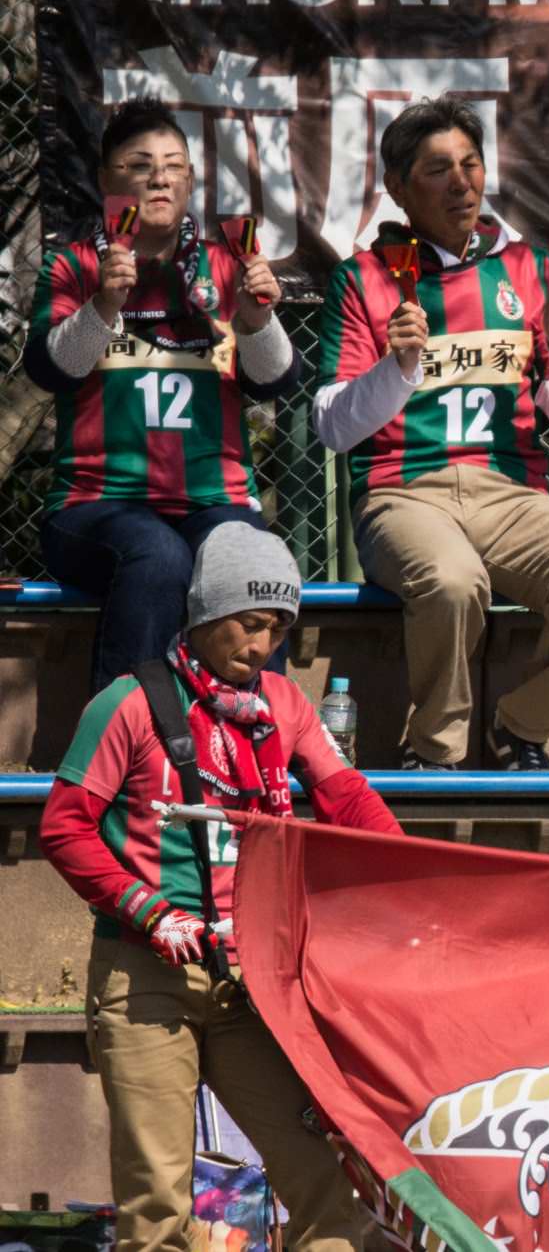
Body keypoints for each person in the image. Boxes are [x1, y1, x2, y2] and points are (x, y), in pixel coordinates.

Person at [38, 522, 400, 1252]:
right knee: (157, 1209)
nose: (262, 644)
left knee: (327, 1186)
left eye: (278, 628)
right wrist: (148, 910)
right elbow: (64, 826)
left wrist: (413, 871)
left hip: (253, 979)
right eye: (250, 622)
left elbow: (347, 797)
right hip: (146, 978)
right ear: (206, 612)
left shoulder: (285, 704)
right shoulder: (129, 702)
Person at [313, 96, 549, 771]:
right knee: (453, 580)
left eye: (471, 164)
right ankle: (434, 751)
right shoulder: (362, 278)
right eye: (438, 170)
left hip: (513, 494)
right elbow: (333, 428)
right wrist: (398, 368)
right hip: (401, 494)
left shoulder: (529, 268)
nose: (461, 183)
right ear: (398, 188)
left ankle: (520, 727)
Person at [26, 96, 299, 693]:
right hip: (96, 504)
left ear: (191, 182)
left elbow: (276, 379)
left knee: (254, 561)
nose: (159, 178)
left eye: (175, 166)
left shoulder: (226, 265)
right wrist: (104, 304)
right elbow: (52, 369)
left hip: (214, 500)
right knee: (158, 555)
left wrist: (257, 318)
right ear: (106, 180)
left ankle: (257, 734)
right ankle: (131, 735)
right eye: (140, 165)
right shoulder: (73, 265)